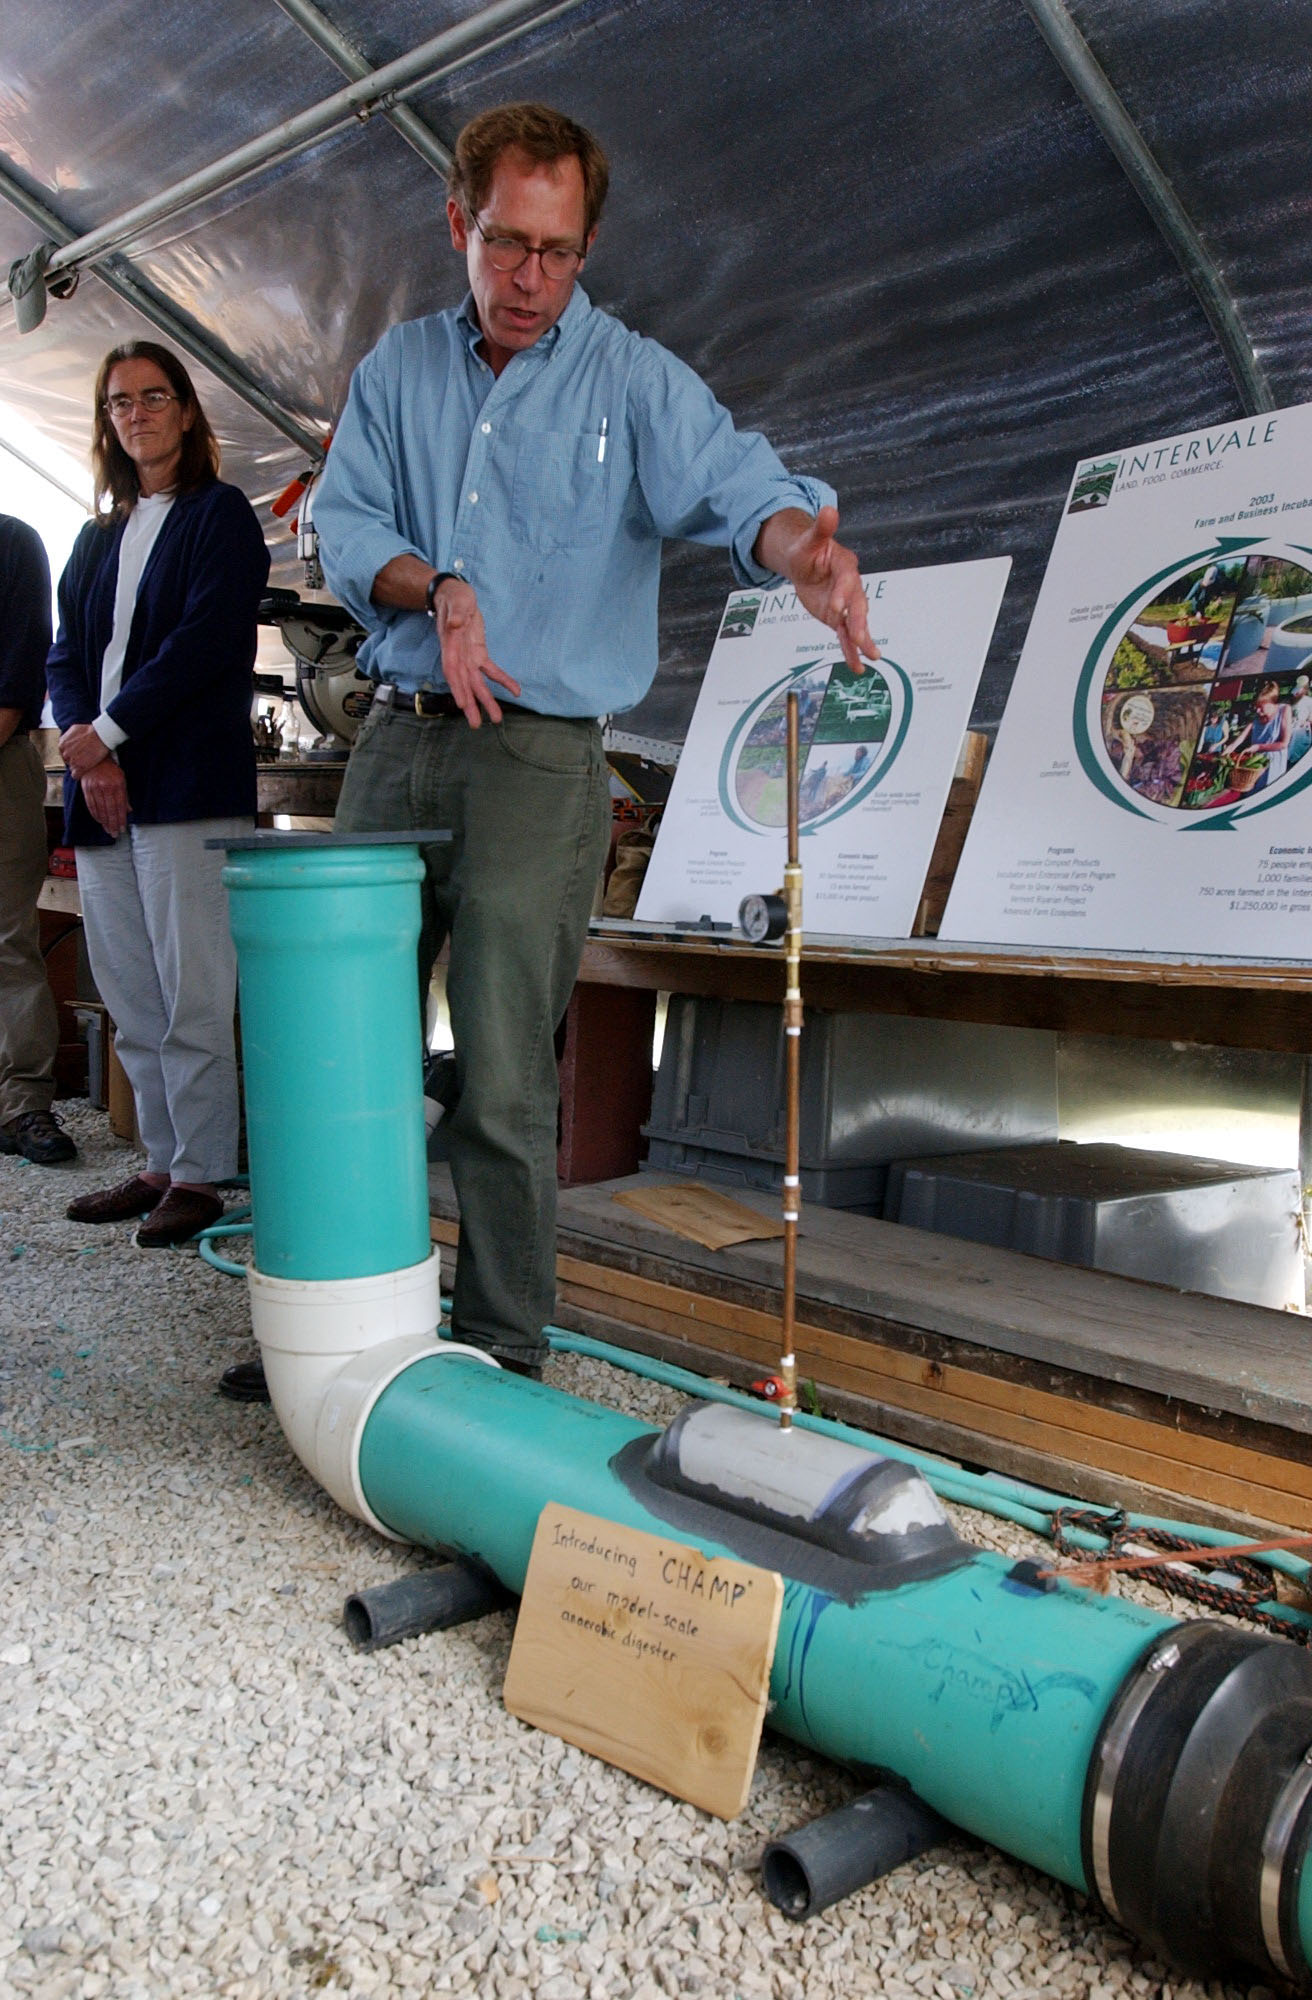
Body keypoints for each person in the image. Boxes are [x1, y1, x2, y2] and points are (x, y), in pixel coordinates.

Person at [310, 101, 878, 1384]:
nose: (529, 280)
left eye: (558, 253)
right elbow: (340, 532)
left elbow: (742, 485)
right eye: (507, 244)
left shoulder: (631, 378)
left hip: (536, 762)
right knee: (348, 1046)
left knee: (503, 1069)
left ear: (588, 246)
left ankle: (502, 1353)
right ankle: (344, 1328)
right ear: (458, 223)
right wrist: (437, 586)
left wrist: (806, 555)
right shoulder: (396, 371)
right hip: (393, 744)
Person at [46, 341, 269, 1248]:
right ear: (107, 422)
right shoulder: (97, 535)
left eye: (153, 397)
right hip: (103, 790)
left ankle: (204, 1172)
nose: (136, 415)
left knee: (194, 989)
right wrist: (85, 748)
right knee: (131, 987)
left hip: (185, 786)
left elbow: (204, 645)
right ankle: (159, 1162)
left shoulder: (223, 518)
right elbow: (66, 655)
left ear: (186, 411)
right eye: (119, 403)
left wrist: (111, 734)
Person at [0, 516, 77, 1166]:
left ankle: (25, 1103)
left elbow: (18, 674)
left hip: (1, 758)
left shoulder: (12, 543)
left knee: (8, 939)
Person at [1288, 672, 1312, 767]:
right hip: (1292, 728)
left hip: (1302, 730)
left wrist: (1306, 722)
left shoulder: (1309, 701)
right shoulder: (1292, 702)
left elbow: (1310, 718)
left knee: (1298, 750)